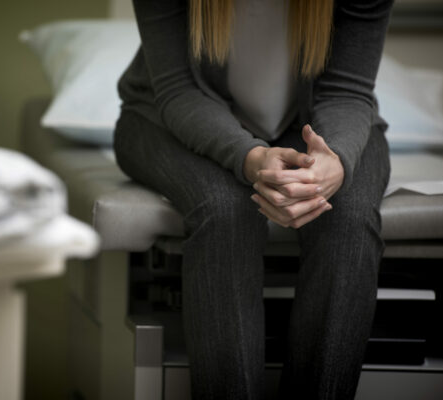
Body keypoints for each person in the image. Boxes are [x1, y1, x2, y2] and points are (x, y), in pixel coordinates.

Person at [113, 0, 394, 398]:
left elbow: (346, 90)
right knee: (226, 211)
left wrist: (335, 162)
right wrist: (251, 158)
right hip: (164, 114)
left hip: (318, 120)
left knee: (345, 217)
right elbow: (179, 90)